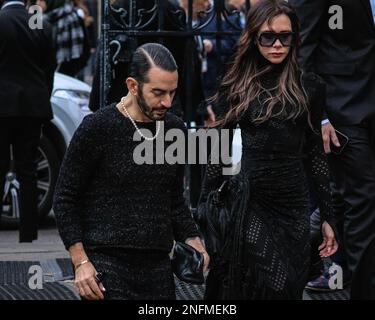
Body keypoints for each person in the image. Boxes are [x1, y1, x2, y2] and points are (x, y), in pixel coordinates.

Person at [199, 0, 338, 300]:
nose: (277, 44)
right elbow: (219, 149)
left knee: (289, 286)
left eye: (285, 37)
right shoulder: (236, 85)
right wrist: (204, 208)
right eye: (268, 37)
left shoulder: (310, 87)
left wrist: (327, 216)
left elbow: (315, 155)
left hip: (293, 203)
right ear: (254, 38)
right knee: (270, 279)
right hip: (251, 199)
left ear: (294, 38)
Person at [53, 43, 209, 300]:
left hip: (157, 264)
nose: (167, 102)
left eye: (172, 92)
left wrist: (193, 239)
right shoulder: (98, 128)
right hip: (106, 261)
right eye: (158, 92)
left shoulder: (174, 128)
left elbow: (173, 198)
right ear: (133, 85)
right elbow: (65, 198)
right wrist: (80, 262)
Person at [290, 0, 375, 299]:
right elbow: (302, 52)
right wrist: (320, 115)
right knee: (364, 203)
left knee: (348, 200)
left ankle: (330, 266)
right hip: (342, 111)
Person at [0, 0, 56, 242]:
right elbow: (49, 70)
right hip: (33, 106)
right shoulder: (40, 23)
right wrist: (43, 98)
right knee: (28, 170)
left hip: (2, 105)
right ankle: (28, 232)